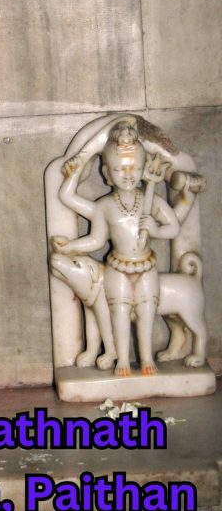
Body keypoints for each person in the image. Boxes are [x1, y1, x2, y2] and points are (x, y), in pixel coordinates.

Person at [52, 120, 180, 376]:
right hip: (117, 269)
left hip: (147, 266)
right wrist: (69, 248)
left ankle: (146, 357)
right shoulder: (105, 206)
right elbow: (96, 240)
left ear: (144, 170)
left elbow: (173, 227)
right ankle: (122, 359)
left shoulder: (151, 201)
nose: (129, 175)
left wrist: (155, 230)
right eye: (120, 169)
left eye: (135, 168)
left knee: (146, 312)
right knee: (118, 314)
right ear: (107, 174)